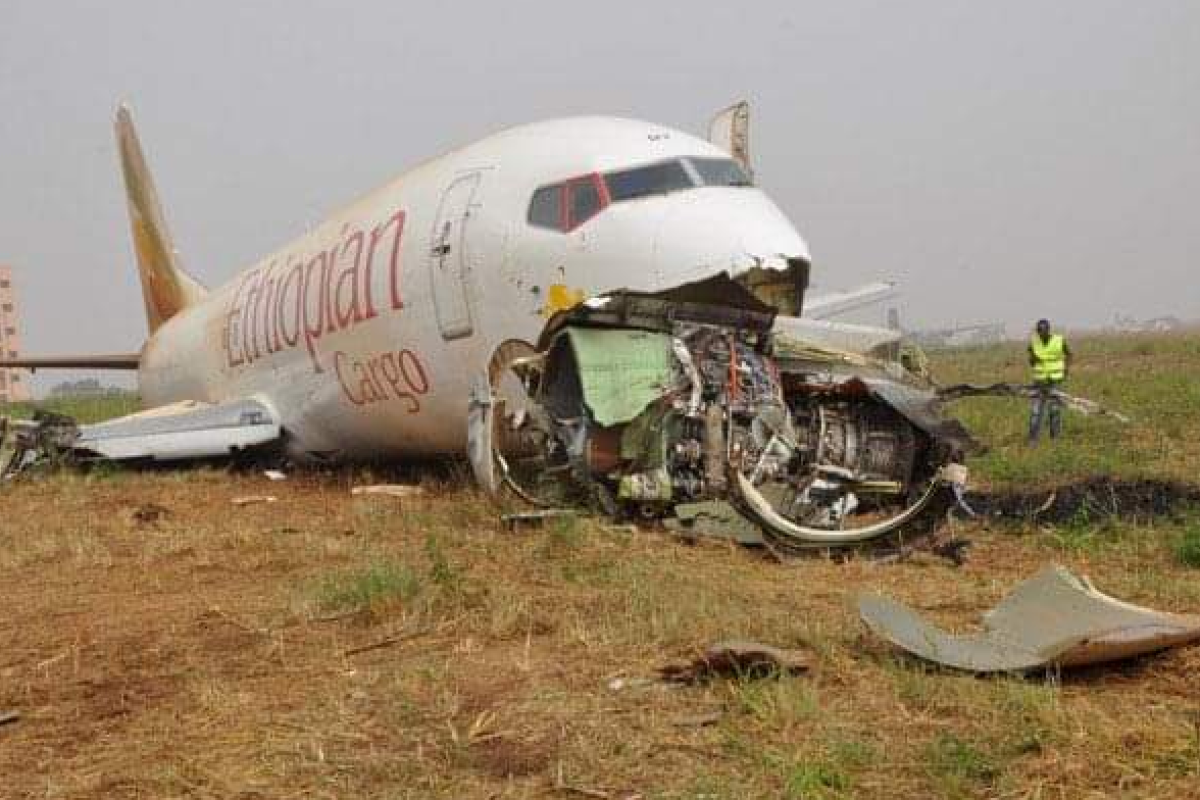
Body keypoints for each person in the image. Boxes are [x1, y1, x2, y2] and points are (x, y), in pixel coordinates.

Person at [1027, 318, 1072, 443]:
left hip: (1055, 380)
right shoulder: (1033, 342)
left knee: (1054, 410)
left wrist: (1066, 369)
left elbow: (1069, 354)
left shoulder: (1059, 340)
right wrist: (1033, 359)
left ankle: (1055, 439)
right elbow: (1031, 360)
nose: (1041, 333)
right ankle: (1032, 440)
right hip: (1039, 382)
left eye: (1043, 331)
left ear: (1048, 330)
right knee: (1035, 412)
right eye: (1039, 331)